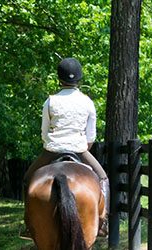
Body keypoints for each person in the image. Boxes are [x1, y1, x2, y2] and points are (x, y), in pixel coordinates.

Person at [21, 57, 109, 237]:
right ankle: (102, 221)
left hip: (52, 149)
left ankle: (29, 224)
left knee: (27, 178)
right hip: (79, 149)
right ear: (79, 78)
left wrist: (52, 143)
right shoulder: (87, 102)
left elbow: (44, 132)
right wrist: (83, 145)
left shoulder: (50, 102)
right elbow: (91, 135)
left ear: (59, 78)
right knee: (103, 178)